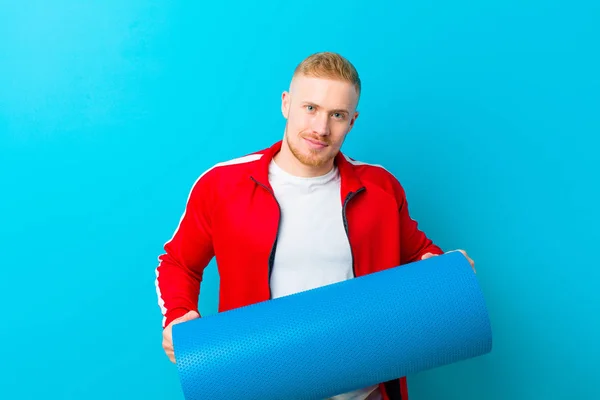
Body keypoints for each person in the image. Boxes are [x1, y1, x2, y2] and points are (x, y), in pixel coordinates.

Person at [154, 51, 475, 400]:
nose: (321, 129)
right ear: (286, 104)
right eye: (310, 108)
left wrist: (445, 271)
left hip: (363, 393)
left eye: (336, 115)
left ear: (352, 121)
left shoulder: (381, 188)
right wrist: (178, 315)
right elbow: (178, 262)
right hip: (257, 387)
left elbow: (419, 253)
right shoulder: (221, 185)